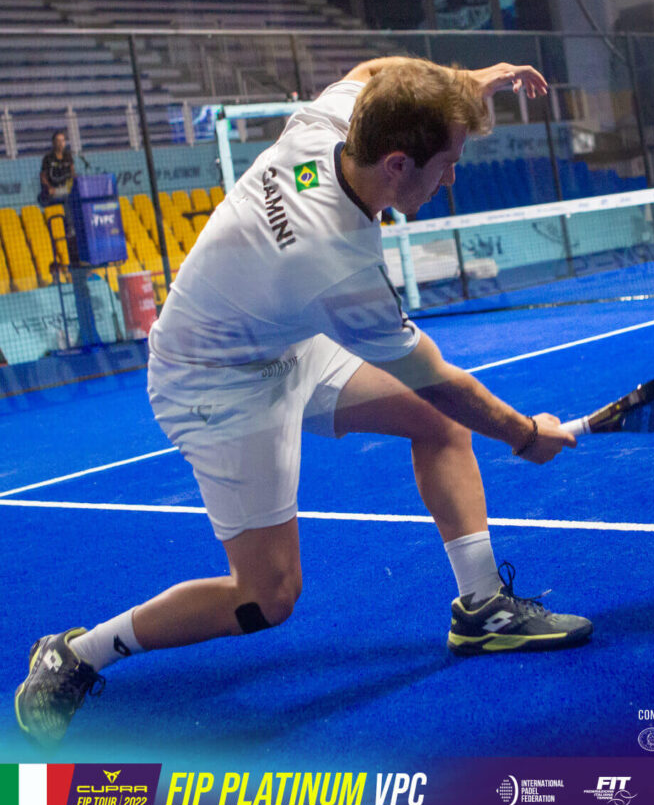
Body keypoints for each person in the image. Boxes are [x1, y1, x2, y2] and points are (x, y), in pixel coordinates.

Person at [15, 57, 592, 746]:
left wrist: (465, 81)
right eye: (447, 165)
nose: (451, 179)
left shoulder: (332, 125)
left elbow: (373, 68)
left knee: (436, 424)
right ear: (399, 164)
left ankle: (482, 609)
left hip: (278, 335)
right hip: (213, 384)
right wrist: (525, 435)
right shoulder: (339, 265)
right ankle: (78, 653)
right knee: (267, 596)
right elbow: (436, 377)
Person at [39, 131, 75, 208]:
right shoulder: (48, 158)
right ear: (53, 143)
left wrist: (72, 185)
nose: (61, 143)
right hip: (53, 189)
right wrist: (49, 188)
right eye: (58, 141)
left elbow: (72, 173)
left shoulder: (68, 156)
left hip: (66, 188)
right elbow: (43, 177)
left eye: (63, 140)